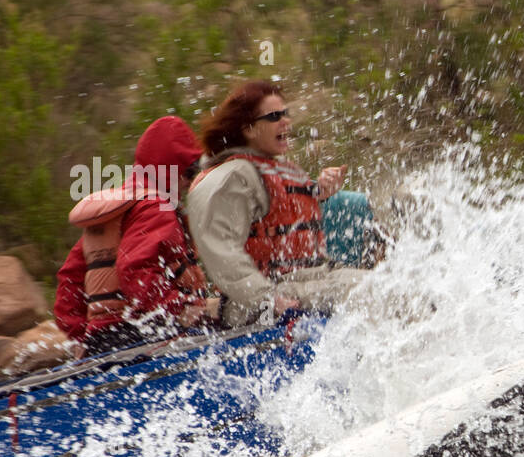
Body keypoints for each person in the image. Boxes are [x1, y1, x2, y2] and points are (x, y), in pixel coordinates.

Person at [186, 81, 371, 327]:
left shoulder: (267, 168)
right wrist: (269, 298)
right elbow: (221, 248)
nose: (285, 121)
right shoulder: (234, 175)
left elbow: (281, 215)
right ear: (250, 129)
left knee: (393, 282)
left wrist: (320, 191)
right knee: (373, 291)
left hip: (303, 281)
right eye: (274, 116)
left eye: (285, 114)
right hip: (259, 302)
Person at [55, 117, 219, 356]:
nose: (189, 182)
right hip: (139, 335)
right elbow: (134, 270)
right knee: (221, 323)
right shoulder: (156, 208)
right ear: (172, 169)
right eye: (190, 170)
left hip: (104, 340)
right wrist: (182, 308)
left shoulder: (119, 208)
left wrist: (82, 338)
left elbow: (70, 282)